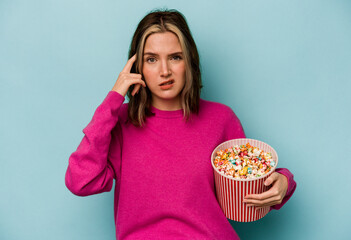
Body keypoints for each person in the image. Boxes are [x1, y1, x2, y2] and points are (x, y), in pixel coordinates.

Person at [65, 8, 296, 240]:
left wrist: (284, 181)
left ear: (189, 61)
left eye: (175, 57)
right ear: (137, 68)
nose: (165, 71)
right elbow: (81, 181)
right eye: (151, 59)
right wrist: (113, 99)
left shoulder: (221, 119)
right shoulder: (122, 122)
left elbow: (247, 185)